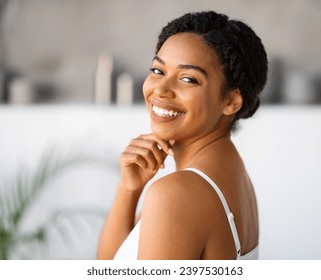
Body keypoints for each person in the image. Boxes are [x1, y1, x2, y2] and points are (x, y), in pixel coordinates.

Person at [97, 10, 268, 260]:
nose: (161, 90)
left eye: (188, 79)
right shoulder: (232, 174)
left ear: (231, 101)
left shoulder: (178, 193)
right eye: (158, 71)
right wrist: (129, 189)